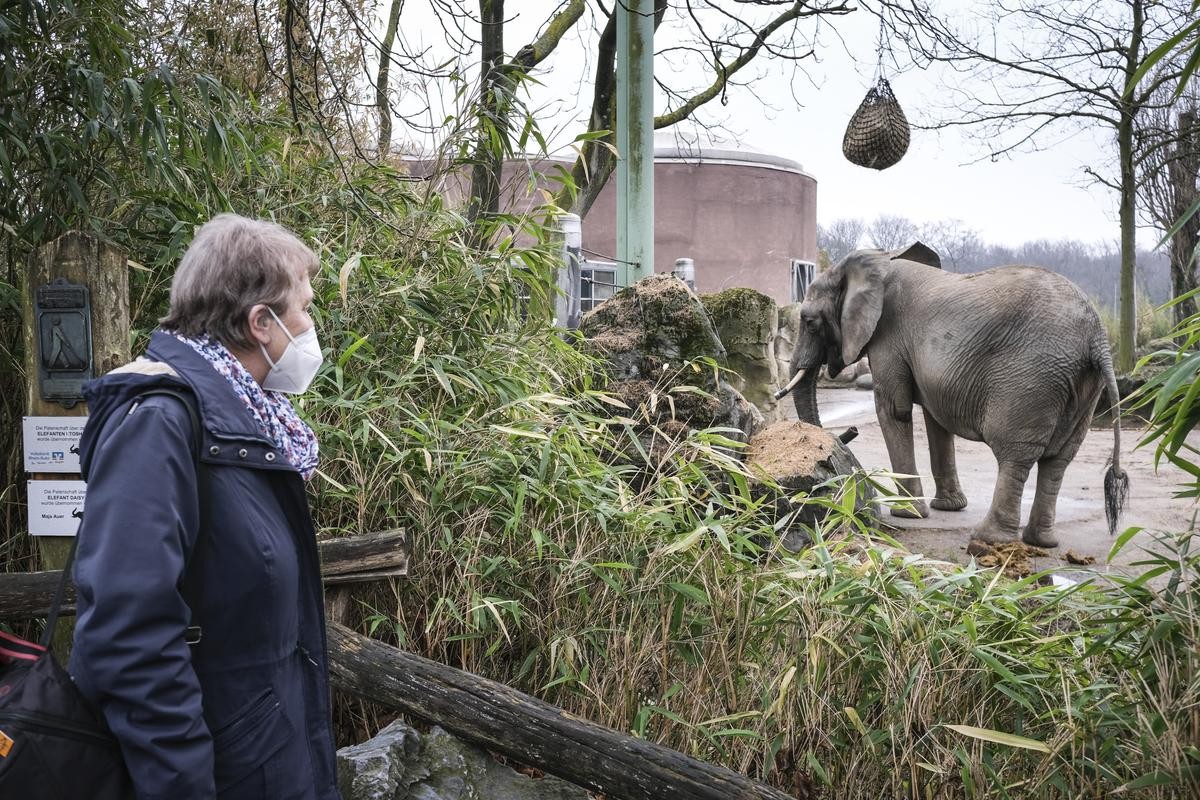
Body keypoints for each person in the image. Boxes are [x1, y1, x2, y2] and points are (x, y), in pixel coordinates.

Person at [69, 213, 340, 799]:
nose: (312, 325)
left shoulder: (248, 421)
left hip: (259, 764)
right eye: (305, 308)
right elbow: (129, 634)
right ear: (261, 323)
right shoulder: (161, 425)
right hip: (214, 776)